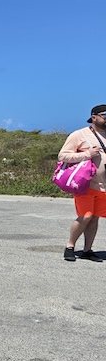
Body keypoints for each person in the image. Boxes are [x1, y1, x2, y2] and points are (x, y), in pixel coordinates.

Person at [60, 104, 106, 261]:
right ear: (94, 118)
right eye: (105, 115)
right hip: (85, 184)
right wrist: (87, 154)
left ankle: (87, 250)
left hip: (103, 186)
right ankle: (70, 246)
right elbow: (63, 156)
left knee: (94, 217)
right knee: (85, 216)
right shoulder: (79, 135)